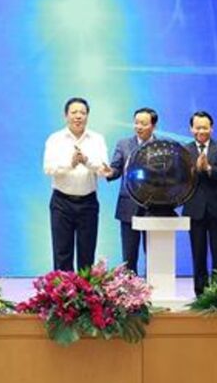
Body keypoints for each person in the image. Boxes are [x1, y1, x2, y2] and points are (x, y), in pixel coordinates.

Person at [42, 97, 110, 272]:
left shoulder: (97, 139)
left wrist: (86, 161)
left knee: (87, 252)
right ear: (66, 115)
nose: (78, 116)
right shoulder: (55, 139)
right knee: (62, 251)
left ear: (87, 116)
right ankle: (64, 288)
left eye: (82, 112)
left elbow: (104, 170)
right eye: (74, 112)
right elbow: (48, 168)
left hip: (88, 202)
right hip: (61, 202)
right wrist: (70, 163)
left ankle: (84, 289)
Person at [181, 111, 217, 296]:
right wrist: (195, 169)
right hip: (194, 209)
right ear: (191, 129)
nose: (201, 131)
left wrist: (209, 168)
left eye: (205, 127)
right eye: (197, 128)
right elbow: (179, 178)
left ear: (211, 128)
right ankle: (201, 294)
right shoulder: (184, 150)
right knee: (198, 254)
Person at [103, 107, 158, 275]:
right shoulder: (124, 144)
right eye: (136, 123)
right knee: (129, 254)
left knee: (154, 253)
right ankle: (130, 288)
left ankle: (154, 285)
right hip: (128, 205)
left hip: (154, 205)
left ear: (153, 126)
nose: (139, 127)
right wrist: (110, 172)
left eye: (143, 123)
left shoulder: (161, 147)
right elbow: (116, 168)